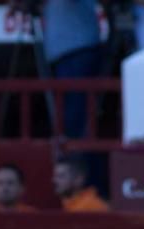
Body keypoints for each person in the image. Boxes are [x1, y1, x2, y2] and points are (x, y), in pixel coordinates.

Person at [41, 0, 104, 138]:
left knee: (76, 114)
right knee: (66, 111)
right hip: (62, 52)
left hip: (78, 49)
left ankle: (77, 154)